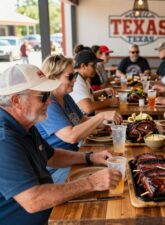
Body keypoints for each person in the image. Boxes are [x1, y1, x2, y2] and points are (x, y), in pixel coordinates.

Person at [0, 64, 122, 225]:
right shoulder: (4, 139)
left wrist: (90, 157)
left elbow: (52, 156)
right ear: (16, 101)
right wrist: (92, 182)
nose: (49, 101)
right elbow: (33, 200)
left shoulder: (23, 123)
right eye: (42, 96)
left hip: (50, 210)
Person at [36, 54, 123, 183]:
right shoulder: (49, 103)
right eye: (70, 76)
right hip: (56, 168)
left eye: (75, 75)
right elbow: (71, 136)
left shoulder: (65, 96)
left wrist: (107, 123)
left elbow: (81, 121)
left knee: (117, 167)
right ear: (53, 78)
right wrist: (101, 116)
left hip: (75, 155)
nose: (75, 80)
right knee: (114, 174)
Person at [70, 50, 118, 115]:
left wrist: (104, 92)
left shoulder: (83, 78)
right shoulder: (77, 81)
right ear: (83, 66)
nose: (95, 69)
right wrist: (110, 102)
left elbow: (89, 96)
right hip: (84, 120)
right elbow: (88, 108)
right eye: (93, 66)